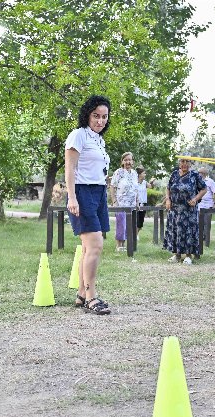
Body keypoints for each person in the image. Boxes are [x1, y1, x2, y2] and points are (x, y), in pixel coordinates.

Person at [65, 95, 113, 315]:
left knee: (88, 248)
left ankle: (81, 294)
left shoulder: (99, 140)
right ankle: (91, 297)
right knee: (95, 246)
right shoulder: (78, 135)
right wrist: (72, 197)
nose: (100, 121)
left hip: (99, 192)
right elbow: (70, 169)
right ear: (87, 114)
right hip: (83, 192)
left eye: (104, 117)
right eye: (96, 115)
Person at [163, 156, 207, 265]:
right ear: (179, 163)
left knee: (188, 232)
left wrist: (196, 199)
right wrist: (168, 200)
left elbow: (204, 188)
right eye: (182, 161)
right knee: (176, 231)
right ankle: (176, 255)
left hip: (189, 210)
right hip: (174, 209)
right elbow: (168, 188)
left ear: (190, 163)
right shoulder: (174, 174)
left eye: (187, 161)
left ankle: (188, 255)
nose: (185, 164)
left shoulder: (195, 175)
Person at [110, 152, 138, 251]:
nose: (128, 162)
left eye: (129, 160)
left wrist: (137, 201)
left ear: (132, 161)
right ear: (122, 161)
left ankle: (124, 245)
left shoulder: (134, 173)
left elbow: (136, 188)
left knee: (128, 225)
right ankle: (119, 245)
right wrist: (114, 201)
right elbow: (112, 186)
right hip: (121, 203)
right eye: (125, 160)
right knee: (121, 223)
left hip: (132, 204)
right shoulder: (119, 172)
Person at [135, 167, 151, 238]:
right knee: (136, 220)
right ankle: (134, 235)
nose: (145, 174)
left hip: (143, 203)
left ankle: (136, 234)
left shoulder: (144, 182)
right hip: (136, 204)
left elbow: (150, 186)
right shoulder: (134, 182)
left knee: (141, 222)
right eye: (144, 173)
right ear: (139, 174)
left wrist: (152, 182)